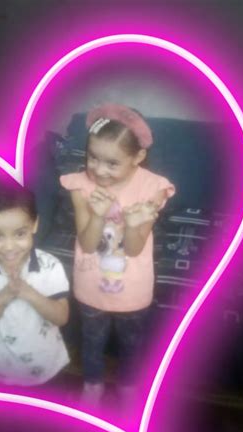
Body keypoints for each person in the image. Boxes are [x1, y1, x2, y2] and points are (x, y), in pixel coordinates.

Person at [60, 104, 175, 407]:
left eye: (112, 163)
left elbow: (134, 249)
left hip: (133, 287)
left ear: (138, 157)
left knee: (132, 343)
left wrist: (134, 225)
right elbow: (87, 244)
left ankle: (128, 388)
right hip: (90, 283)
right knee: (92, 341)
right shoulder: (80, 185)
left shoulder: (153, 188)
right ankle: (93, 387)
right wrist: (98, 215)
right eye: (93, 157)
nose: (99, 170)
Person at [0, 179, 70, 389]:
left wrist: (27, 292)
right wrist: (4, 296)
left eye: (20, 234)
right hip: (5, 369)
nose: (9, 247)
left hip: (48, 365)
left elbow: (61, 317)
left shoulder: (50, 266)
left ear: (35, 225)